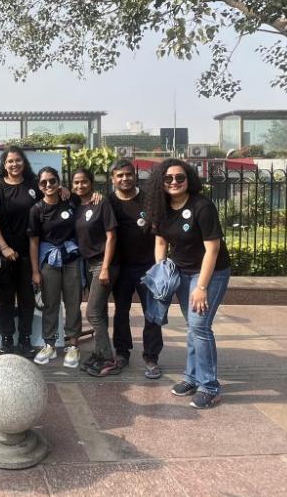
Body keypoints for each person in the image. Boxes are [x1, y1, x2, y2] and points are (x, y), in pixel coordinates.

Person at [145, 158, 231, 409]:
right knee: (193, 327)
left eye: (180, 178)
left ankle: (210, 386)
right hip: (181, 273)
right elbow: (160, 243)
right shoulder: (161, 209)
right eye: (168, 178)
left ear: (189, 179)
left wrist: (202, 288)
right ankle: (192, 378)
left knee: (199, 326)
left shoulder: (202, 207)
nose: (174, 182)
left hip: (210, 273)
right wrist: (162, 272)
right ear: (161, 182)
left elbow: (212, 250)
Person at [98, 159, 164, 379]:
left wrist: (159, 265)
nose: (124, 179)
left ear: (134, 175)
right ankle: (123, 352)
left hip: (148, 267)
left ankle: (151, 357)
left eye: (128, 174)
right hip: (121, 268)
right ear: (112, 179)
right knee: (121, 312)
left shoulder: (148, 200)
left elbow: (160, 232)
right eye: (119, 176)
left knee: (152, 314)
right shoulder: (107, 202)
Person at [0, 145, 39, 358]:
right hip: (3, 255)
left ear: (24, 162)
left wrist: (64, 190)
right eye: (10, 161)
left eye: (18, 160)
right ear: (4, 164)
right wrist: (4, 248)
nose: (14, 164)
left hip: (29, 254)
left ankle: (25, 339)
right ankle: (7, 339)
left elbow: (52, 199)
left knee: (27, 299)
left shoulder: (34, 185)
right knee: (5, 299)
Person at [27, 166, 83, 368]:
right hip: (49, 261)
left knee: (73, 303)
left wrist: (69, 190)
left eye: (52, 181)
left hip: (71, 259)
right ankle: (49, 344)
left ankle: (73, 345)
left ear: (59, 182)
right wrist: (35, 271)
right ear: (39, 186)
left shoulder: (71, 202)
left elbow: (87, 198)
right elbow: (33, 242)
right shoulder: (36, 210)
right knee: (51, 304)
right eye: (44, 182)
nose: (48, 185)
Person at [70, 168, 118, 376]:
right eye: (76, 183)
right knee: (100, 312)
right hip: (87, 264)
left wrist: (105, 267)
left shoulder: (101, 203)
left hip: (102, 263)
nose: (80, 186)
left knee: (92, 312)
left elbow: (111, 237)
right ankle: (100, 352)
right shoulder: (76, 205)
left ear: (91, 183)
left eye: (84, 182)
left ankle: (108, 358)